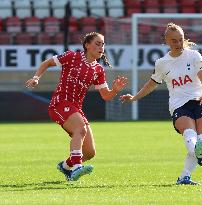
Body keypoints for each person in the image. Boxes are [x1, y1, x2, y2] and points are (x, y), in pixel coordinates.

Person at [25, 32, 128, 181]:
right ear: (87, 45)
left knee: (90, 152)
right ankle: (76, 168)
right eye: (97, 43)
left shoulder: (98, 69)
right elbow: (47, 63)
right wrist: (36, 78)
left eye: (103, 44)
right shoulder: (72, 56)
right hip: (60, 103)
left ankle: (66, 166)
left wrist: (115, 91)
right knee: (80, 129)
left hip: (76, 108)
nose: (101, 47)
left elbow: (106, 96)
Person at [120, 23, 202, 185]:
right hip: (179, 105)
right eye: (174, 41)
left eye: (180, 40)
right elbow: (151, 84)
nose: (178, 44)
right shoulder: (162, 63)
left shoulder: (194, 56)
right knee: (191, 136)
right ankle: (197, 153)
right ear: (166, 41)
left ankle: (185, 176)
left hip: (200, 100)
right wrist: (134, 98)